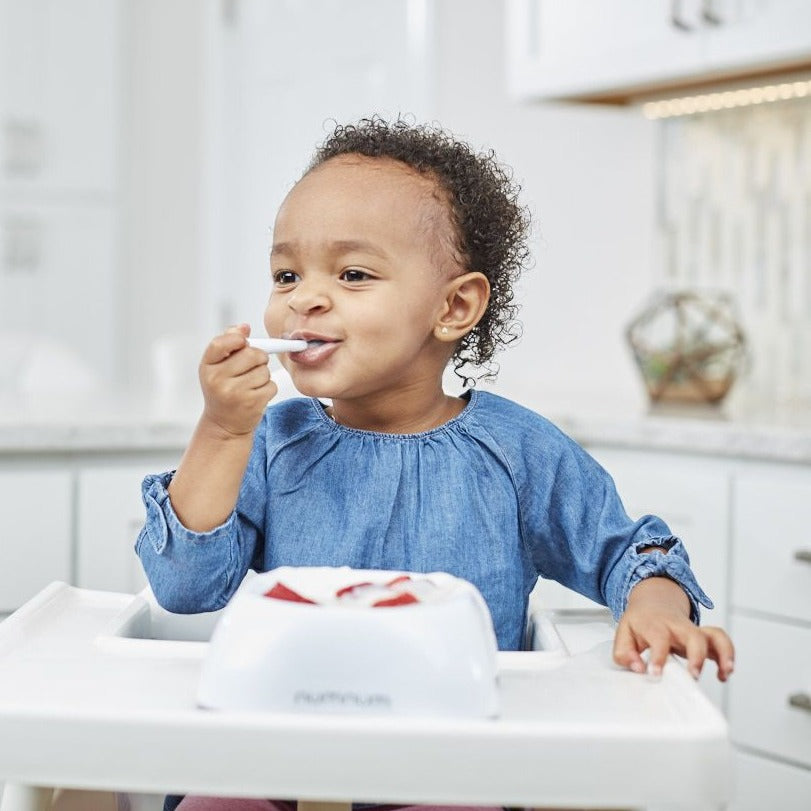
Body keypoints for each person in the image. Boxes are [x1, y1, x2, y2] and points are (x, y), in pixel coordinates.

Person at [136, 117, 734, 811]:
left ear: (453, 307)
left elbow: (630, 551)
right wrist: (218, 430)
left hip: (458, 763)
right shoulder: (271, 442)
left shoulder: (517, 452)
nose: (303, 296)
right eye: (285, 273)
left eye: (352, 273)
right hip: (282, 754)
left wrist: (655, 607)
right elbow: (184, 585)